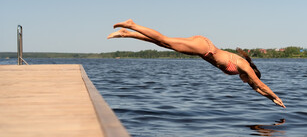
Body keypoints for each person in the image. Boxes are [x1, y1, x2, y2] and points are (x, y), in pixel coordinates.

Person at [107, 19, 285, 108]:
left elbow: (257, 88)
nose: (245, 82)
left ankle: (126, 34)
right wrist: (277, 97)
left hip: (202, 46)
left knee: (162, 43)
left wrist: (271, 100)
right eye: (247, 80)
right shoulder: (244, 66)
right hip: (204, 47)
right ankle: (132, 25)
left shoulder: (243, 71)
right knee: (164, 39)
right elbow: (260, 84)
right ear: (249, 74)